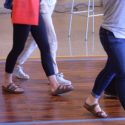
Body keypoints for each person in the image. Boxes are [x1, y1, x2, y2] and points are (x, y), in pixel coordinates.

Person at [3, 0, 73, 95]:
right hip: (22, 10)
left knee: (45, 47)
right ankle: (7, 81)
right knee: (17, 48)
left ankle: (54, 85)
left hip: (35, 9)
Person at [84, 0, 125, 118]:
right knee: (123, 73)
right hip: (113, 35)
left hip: (120, 34)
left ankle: (92, 100)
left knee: (111, 68)